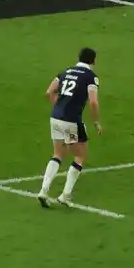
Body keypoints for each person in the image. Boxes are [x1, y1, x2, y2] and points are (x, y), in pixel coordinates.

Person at [38, 47, 102, 208]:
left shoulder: (65, 72)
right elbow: (93, 102)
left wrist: (59, 106)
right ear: (93, 60)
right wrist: (96, 121)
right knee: (80, 155)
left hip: (56, 117)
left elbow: (49, 92)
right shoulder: (90, 77)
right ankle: (65, 195)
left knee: (58, 154)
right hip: (71, 121)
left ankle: (43, 191)